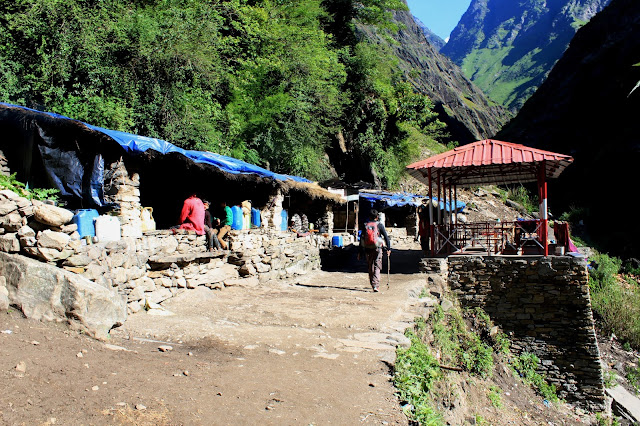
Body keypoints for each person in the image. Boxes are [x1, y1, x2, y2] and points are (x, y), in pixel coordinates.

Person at [359, 209, 391, 292]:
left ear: (369, 217)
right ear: (377, 217)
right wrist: (388, 248)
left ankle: (372, 283)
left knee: (370, 266)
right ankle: (376, 285)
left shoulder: (365, 225)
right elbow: (386, 237)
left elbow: (361, 239)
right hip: (377, 248)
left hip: (367, 248)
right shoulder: (379, 225)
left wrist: (360, 251)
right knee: (377, 265)